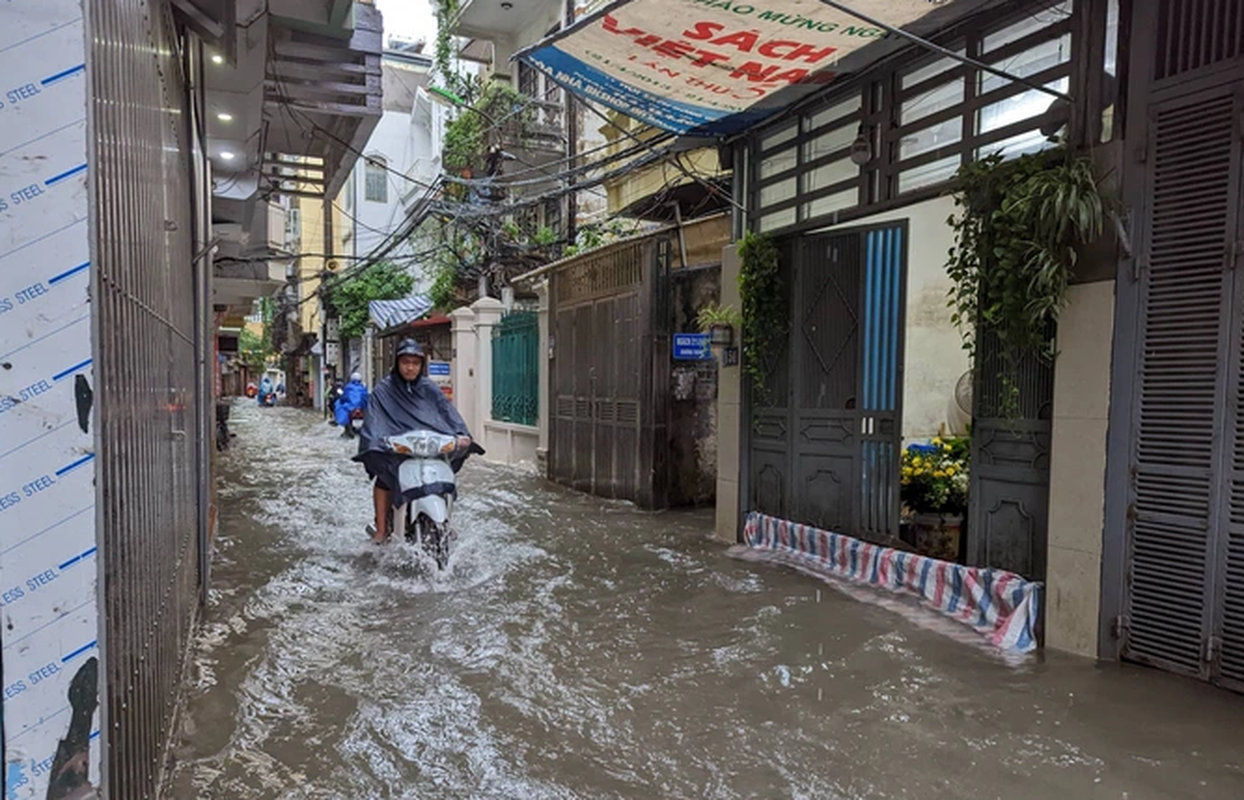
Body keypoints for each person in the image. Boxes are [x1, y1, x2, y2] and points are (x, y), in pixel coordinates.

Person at [353, 339, 481, 544]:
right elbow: (375, 420)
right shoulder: (383, 390)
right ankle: (381, 530)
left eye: (415, 363)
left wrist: (461, 434)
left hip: (429, 450)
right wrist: (376, 441)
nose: (410, 367)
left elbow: (447, 413)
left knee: (443, 478)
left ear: (421, 365)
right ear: (397, 363)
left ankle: (446, 521)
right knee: (384, 478)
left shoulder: (430, 388)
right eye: (406, 362)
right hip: (397, 452)